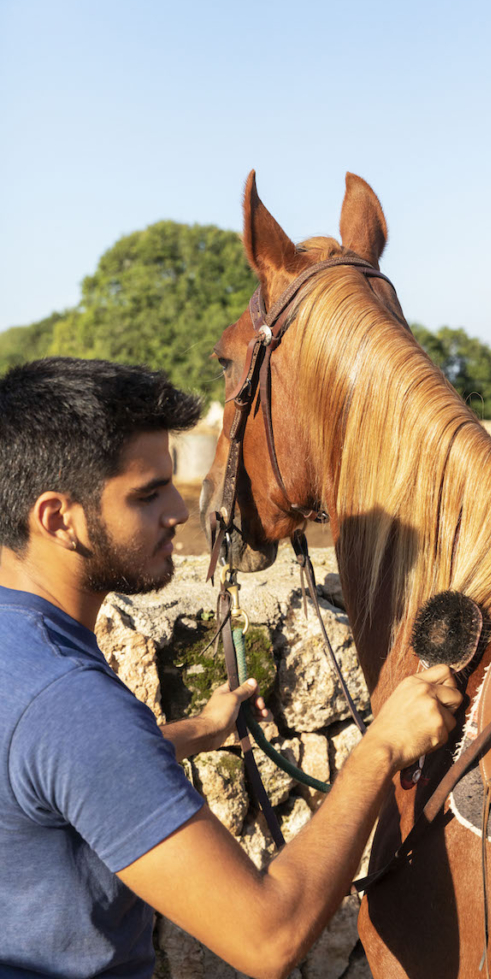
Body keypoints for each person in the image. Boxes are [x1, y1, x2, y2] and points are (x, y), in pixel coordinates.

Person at [0, 357, 462, 979]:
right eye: (147, 493)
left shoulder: (25, 663)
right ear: (58, 518)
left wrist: (201, 731)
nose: (179, 512)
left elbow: (50, 776)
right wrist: (380, 749)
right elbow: (268, 939)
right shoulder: (71, 703)